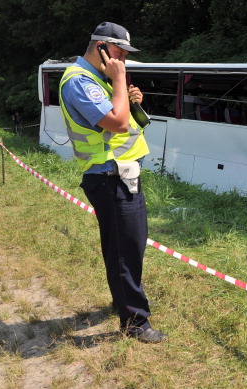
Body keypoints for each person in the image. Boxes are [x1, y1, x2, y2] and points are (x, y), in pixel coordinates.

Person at [59, 22, 167, 343]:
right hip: (110, 177)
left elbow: (123, 119)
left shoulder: (99, 81)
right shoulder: (80, 82)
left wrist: (128, 96)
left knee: (130, 246)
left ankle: (124, 302)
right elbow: (117, 124)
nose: (122, 60)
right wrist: (119, 81)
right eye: (119, 52)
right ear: (101, 46)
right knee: (123, 250)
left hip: (124, 175)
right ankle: (135, 323)